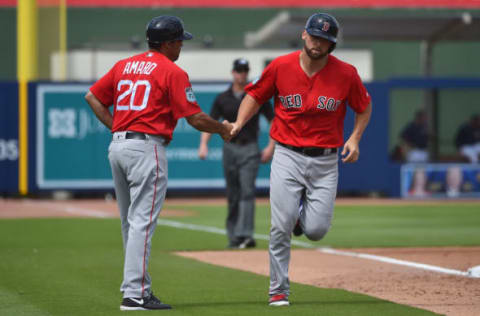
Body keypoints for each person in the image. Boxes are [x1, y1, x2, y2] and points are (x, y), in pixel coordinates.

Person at [84, 15, 232, 311]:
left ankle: (133, 289)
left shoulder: (124, 65)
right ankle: (135, 294)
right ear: (167, 43)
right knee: (141, 223)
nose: (181, 46)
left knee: (130, 223)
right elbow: (195, 118)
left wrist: (117, 127)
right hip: (146, 148)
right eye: (179, 41)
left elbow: (92, 96)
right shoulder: (171, 71)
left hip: (118, 147)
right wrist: (223, 129)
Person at [228, 13, 372, 306]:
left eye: (325, 39)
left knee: (317, 230)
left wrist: (355, 137)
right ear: (304, 35)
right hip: (288, 155)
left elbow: (364, 106)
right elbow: (254, 96)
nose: (319, 43)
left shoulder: (346, 73)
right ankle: (278, 289)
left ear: (332, 44)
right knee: (279, 227)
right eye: (315, 36)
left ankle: (299, 217)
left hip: (325, 160)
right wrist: (239, 123)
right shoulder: (280, 66)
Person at [198, 58, 275, 249]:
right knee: (233, 193)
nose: (242, 74)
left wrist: (271, 146)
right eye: (239, 71)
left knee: (247, 192)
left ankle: (246, 235)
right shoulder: (222, 98)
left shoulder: (255, 96)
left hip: (250, 148)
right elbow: (210, 122)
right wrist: (203, 145)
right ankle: (233, 236)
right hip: (230, 148)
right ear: (233, 73)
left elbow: (275, 121)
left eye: (244, 71)